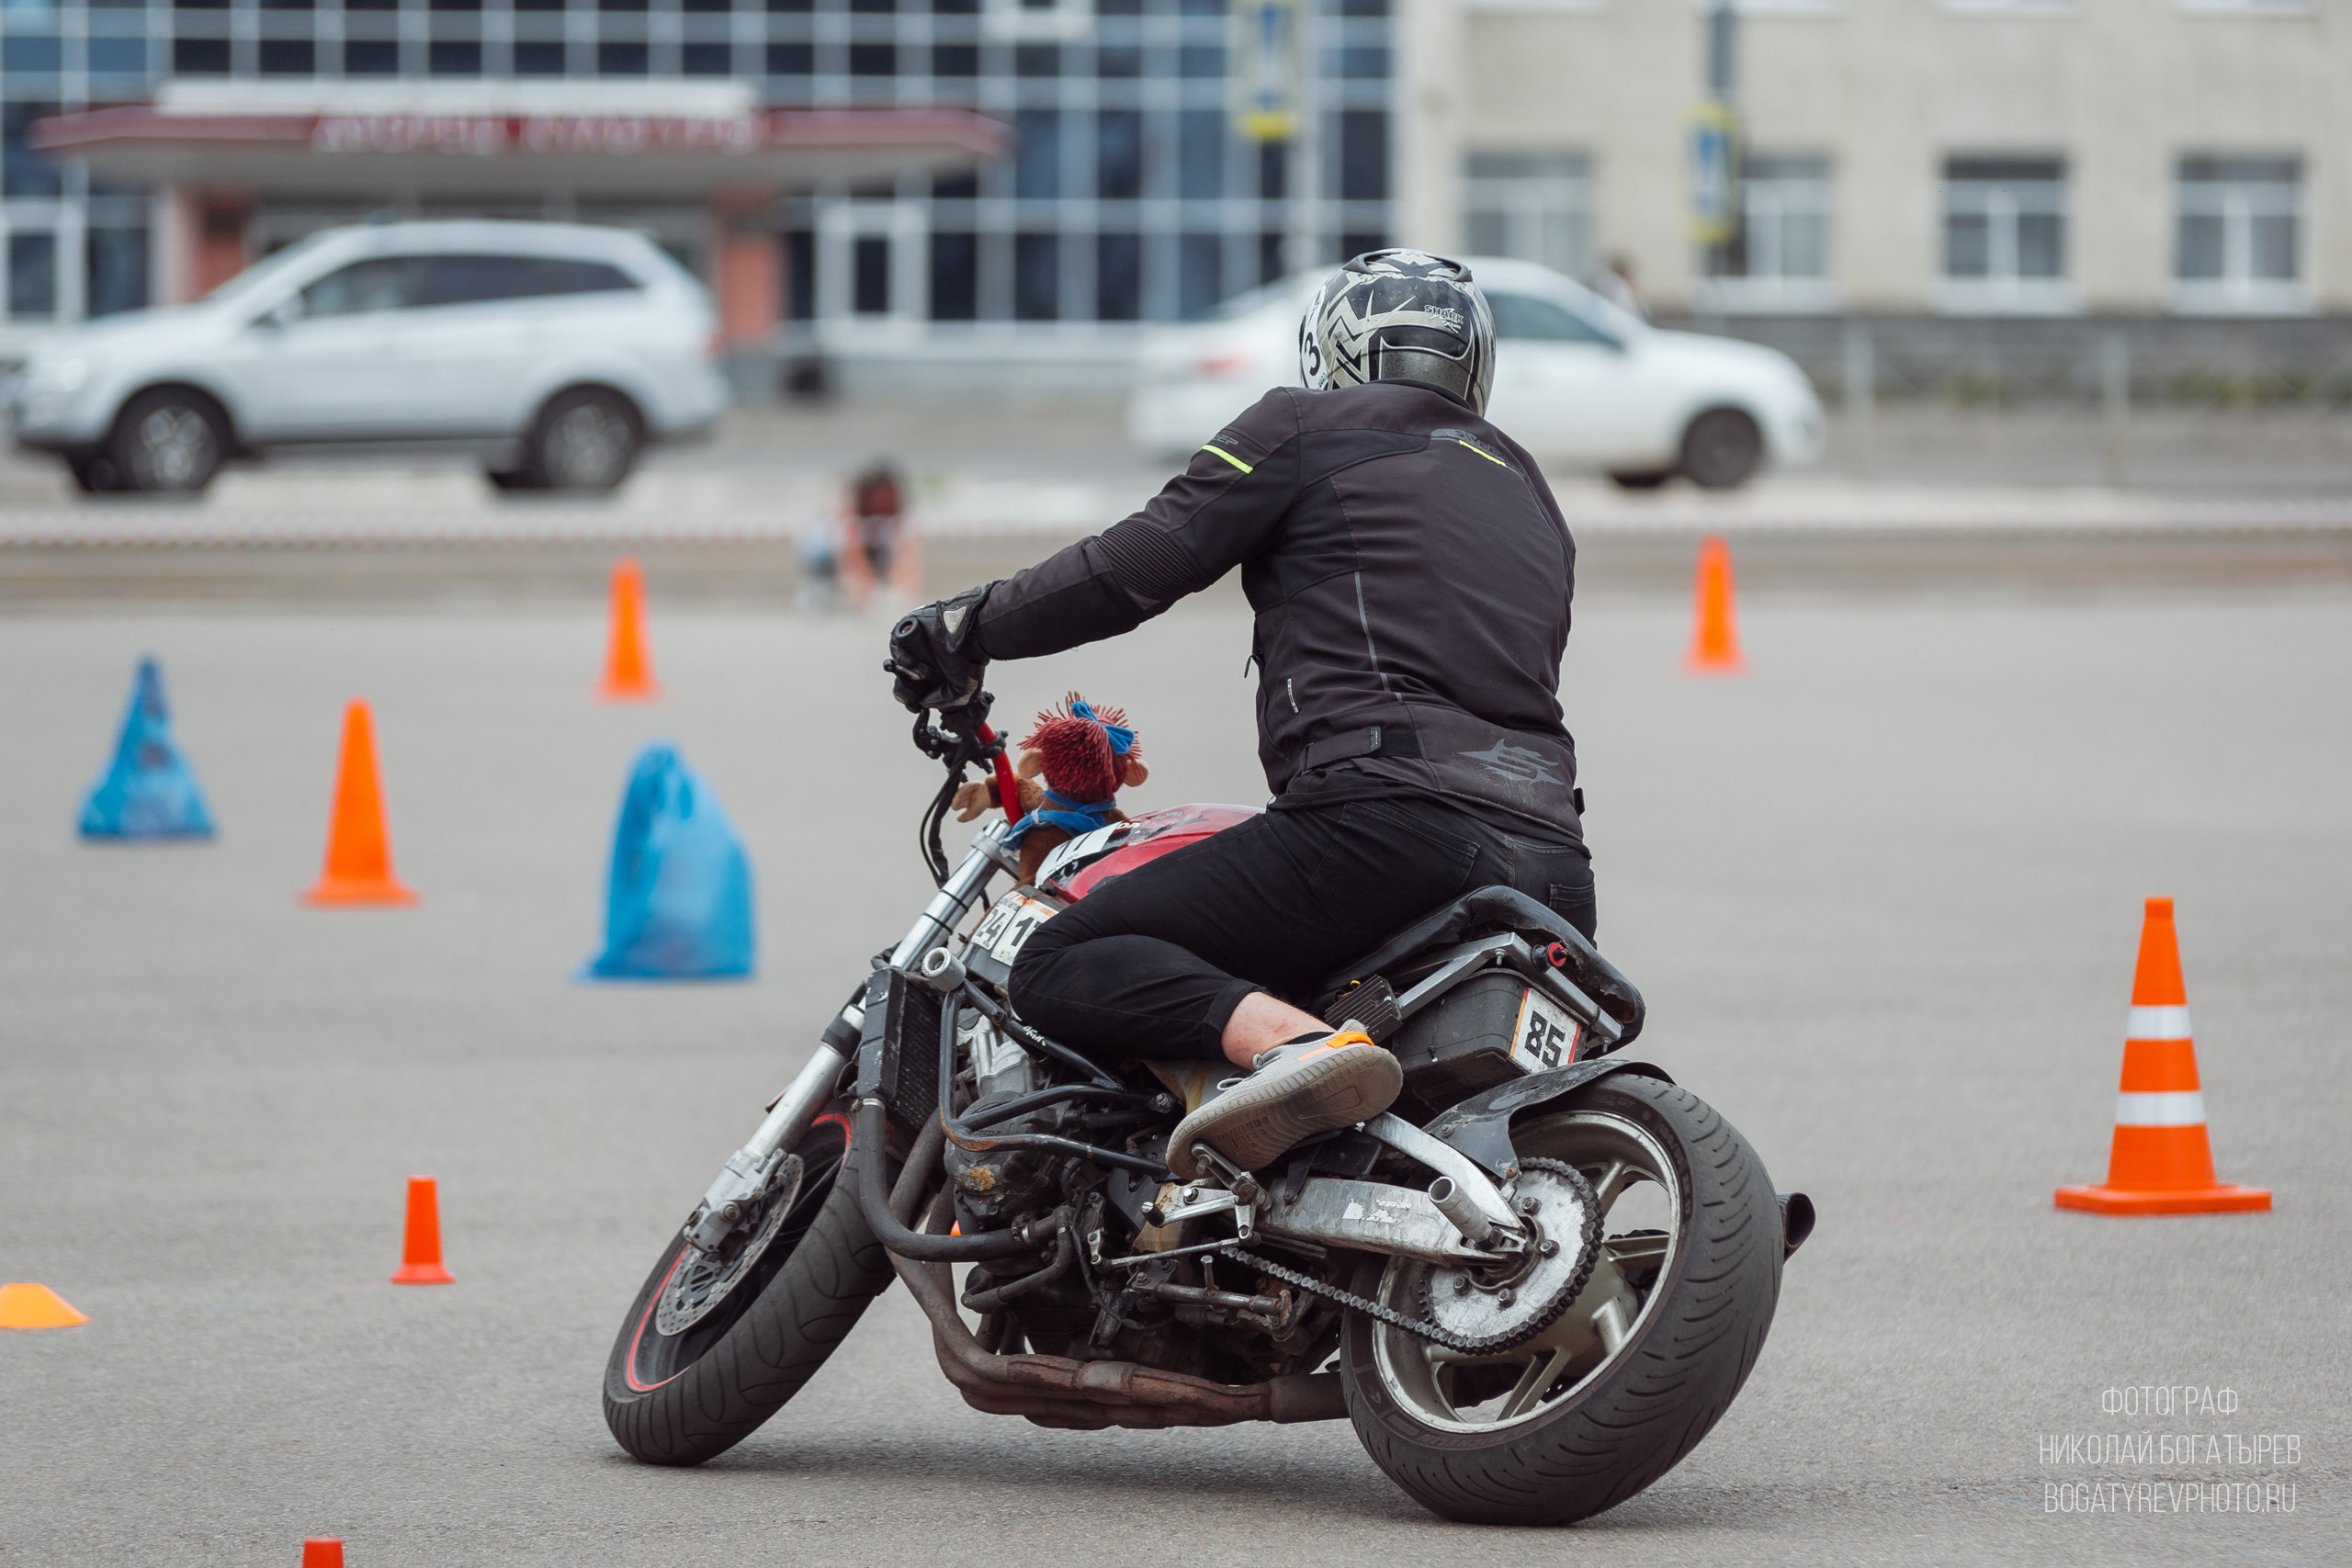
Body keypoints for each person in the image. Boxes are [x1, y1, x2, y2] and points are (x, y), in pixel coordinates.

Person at [888, 250, 1594, 1179]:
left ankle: (1298, 1054)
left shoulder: (1304, 425)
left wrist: (968, 626)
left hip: (1385, 828)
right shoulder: (1526, 486)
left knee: (1060, 960)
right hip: (1553, 869)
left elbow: (1134, 567)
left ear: (1329, 352)